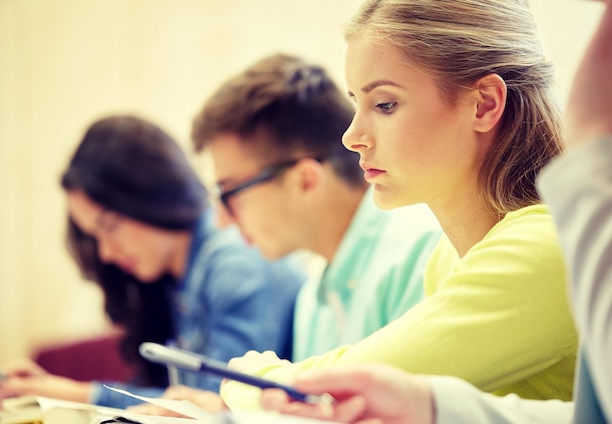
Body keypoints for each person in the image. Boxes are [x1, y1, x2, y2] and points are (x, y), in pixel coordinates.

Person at [257, 0, 612, 422]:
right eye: (356, 103)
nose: (352, 137)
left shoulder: (542, 246)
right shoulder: (447, 255)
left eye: (384, 104)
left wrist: (238, 378)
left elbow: (345, 383)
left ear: (484, 104)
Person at [128, 52, 442, 417]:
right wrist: (228, 414)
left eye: (229, 194)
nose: (223, 221)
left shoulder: (420, 253)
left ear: (305, 180)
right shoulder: (313, 295)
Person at [0, 115, 304, 409]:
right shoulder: (174, 279)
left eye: (109, 226)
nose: (106, 253)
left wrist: (73, 394)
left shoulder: (235, 262)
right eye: (94, 237)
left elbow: (213, 405)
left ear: (151, 196)